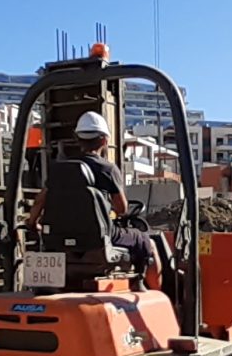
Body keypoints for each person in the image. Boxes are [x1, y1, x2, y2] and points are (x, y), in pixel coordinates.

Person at [26, 111, 161, 285]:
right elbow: (122, 209)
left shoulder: (61, 171)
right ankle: (157, 295)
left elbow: (39, 201)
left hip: (58, 240)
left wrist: (32, 223)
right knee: (145, 241)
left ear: (78, 139)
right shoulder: (108, 169)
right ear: (104, 140)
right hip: (100, 237)